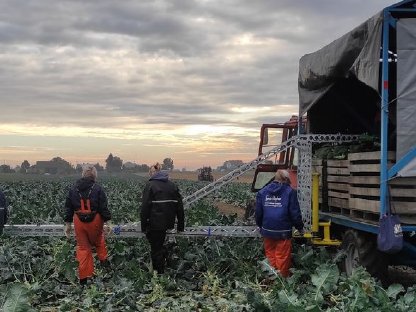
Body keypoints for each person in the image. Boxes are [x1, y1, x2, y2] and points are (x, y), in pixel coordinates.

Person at [64, 165, 112, 285]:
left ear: (83, 174)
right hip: (95, 221)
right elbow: (103, 207)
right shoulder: (97, 188)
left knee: (83, 248)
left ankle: (84, 279)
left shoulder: (73, 189)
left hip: (79, 222)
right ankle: (105, 267)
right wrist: (108, 222)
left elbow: (68, 208)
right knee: (99, 241)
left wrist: (67, 224)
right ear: (94, 175)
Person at [255, 169, 304, 278]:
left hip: (267, 229)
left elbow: (258, 213)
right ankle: (280, 281)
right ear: (286, 179)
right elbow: (294, 213)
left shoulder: (263, 192)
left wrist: (260, 225)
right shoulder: (290, 192)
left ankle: (271, 277)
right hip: (283, 230)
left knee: (270, 254)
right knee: (282, 256)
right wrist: (300, 228)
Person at [140, 163, 185, 274]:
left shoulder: (150, 185)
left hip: (155, 223)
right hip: (169, 222)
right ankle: (165, 256)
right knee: (160, 245)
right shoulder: (172, 185)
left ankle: (158, 274)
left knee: (156, 248)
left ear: (152, 174)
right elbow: (180, 207)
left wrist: (143, 226)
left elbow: (145, 208)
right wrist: (180, 226)